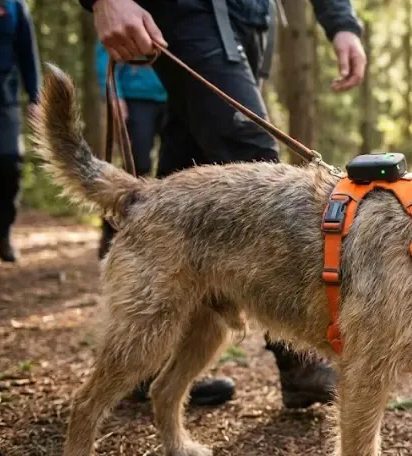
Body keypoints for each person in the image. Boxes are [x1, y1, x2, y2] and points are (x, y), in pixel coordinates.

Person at [77, 0, 367, 409]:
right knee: (252, 154)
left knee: (192, 164)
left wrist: (342, 23)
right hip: (188, 10)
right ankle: (300, 360)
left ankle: (152, 364)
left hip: (250, 19)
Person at [95, 41, 167, 259]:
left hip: (175, 97)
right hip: (136, 97)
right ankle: (111, 231)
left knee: (172, 171)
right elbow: (105, 51)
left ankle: (161, 236)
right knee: (136, 168)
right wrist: (114, 94)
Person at [0, 0, 39, 263]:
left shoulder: (15, 7)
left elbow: (27, 54)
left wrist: (35, 97)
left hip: (4, 98)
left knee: (10, 165)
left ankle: (2, 231)